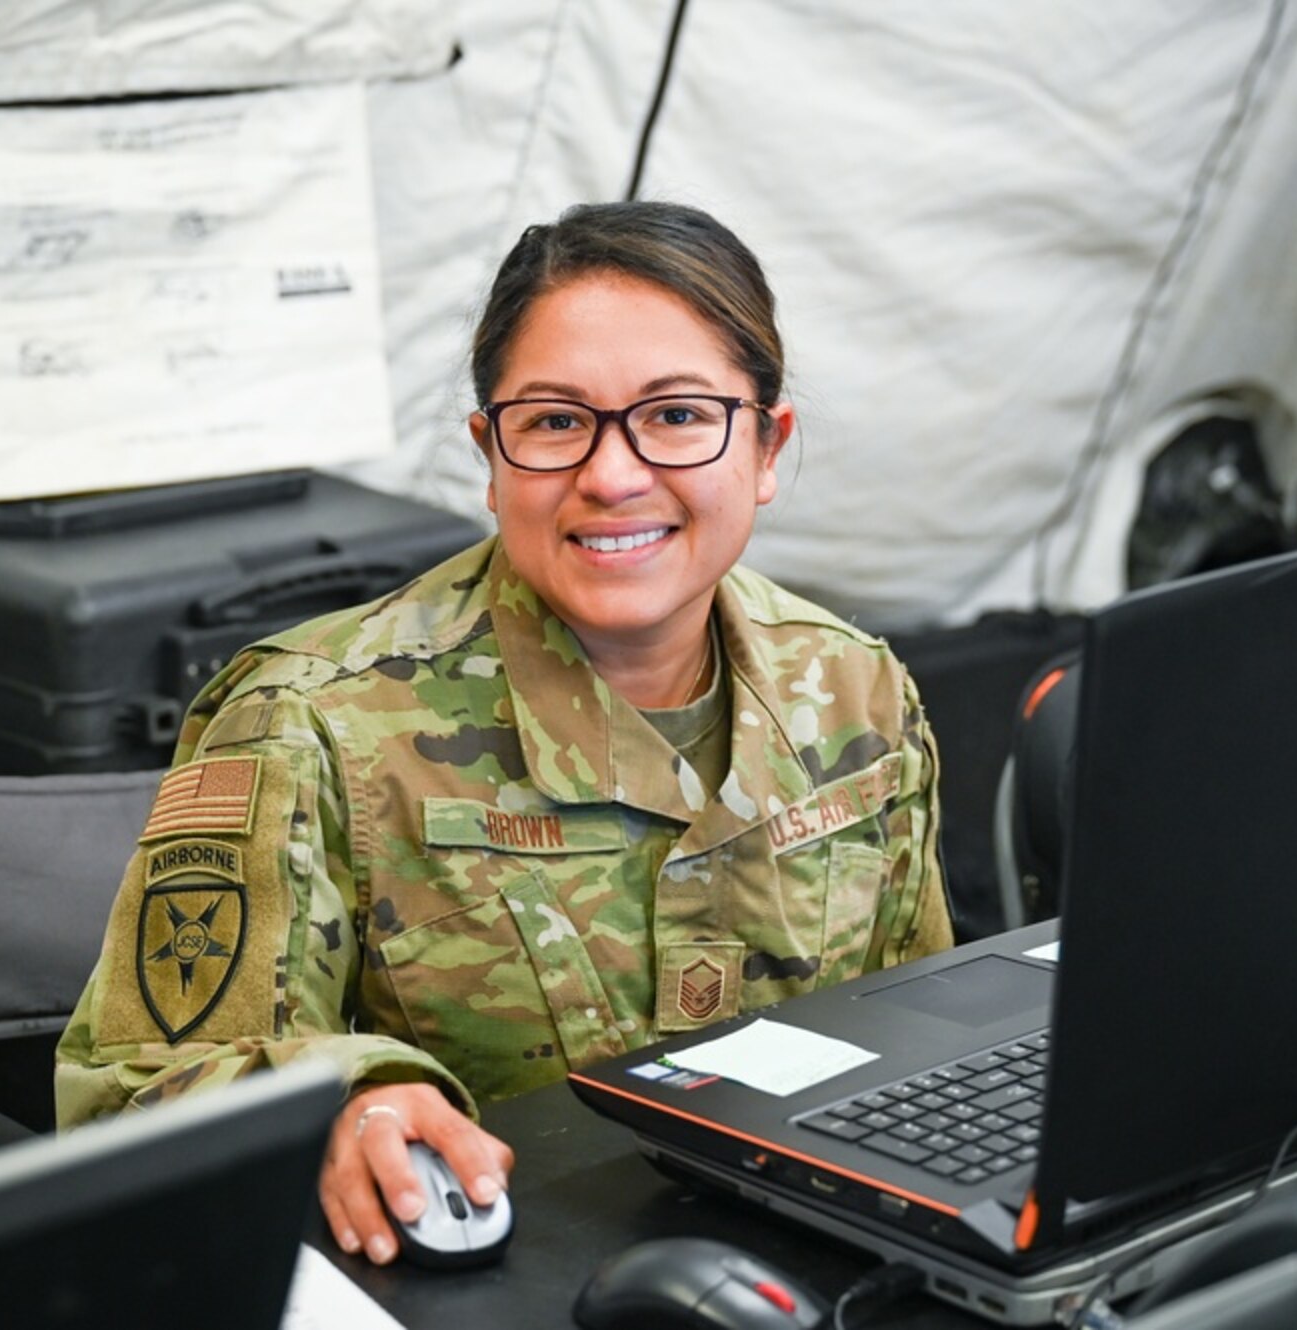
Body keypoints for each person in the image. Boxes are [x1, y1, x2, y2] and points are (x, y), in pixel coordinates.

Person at [55, 200, 952, 1266]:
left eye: (675, 415)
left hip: (802, 1269)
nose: (612, 475)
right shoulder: (309, 724)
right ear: (490, 453)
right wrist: (346, 1101)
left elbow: (921, 1030)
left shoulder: (854, 690)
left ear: (766, 444)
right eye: (554, 421)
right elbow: (128, 1093)